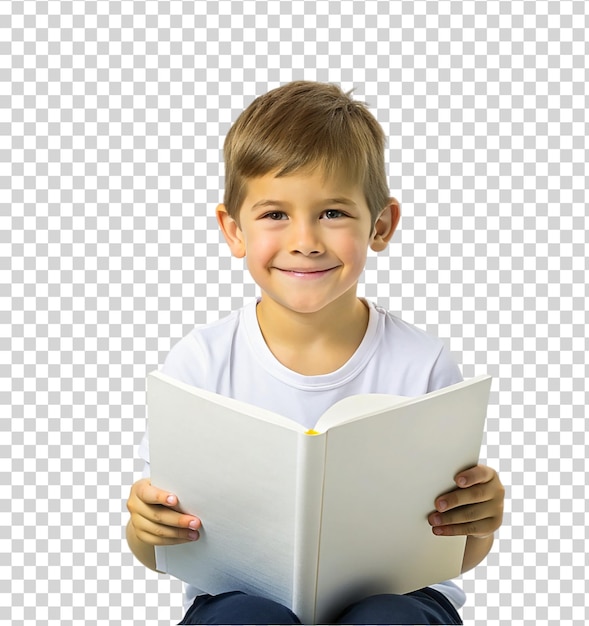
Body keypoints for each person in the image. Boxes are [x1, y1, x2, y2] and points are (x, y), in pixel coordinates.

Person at [126, 81, 505, 625]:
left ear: (381, 225)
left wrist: (480, 523)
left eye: (332, 213)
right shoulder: (200, 363)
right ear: (234, 230)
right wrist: (146, 529)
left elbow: (455, 550)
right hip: (235, 598)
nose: (305, 240)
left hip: (402, 599)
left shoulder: (424, 364)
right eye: (275, 214)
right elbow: (158, 549)